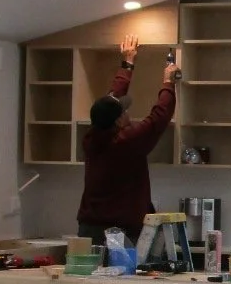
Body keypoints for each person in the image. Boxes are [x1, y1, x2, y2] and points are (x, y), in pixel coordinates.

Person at [75, 34, 177, 243]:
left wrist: (128, 63)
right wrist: (168, 83)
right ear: (119, 120)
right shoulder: (126, 143)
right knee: (120, 276)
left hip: (89, 230)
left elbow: (112, 97)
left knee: (87, 277)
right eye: (124, 112)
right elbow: (159, 117)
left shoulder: (93, 137)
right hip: (120, 233)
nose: (127, 113)